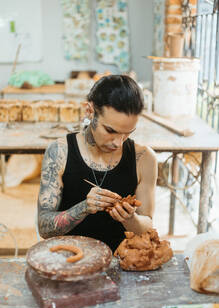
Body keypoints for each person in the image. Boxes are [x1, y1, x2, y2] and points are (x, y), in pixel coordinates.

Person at [38, 75, 157, 252]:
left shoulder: (144, 157)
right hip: (68, 258)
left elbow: (147, 227)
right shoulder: (59, 152)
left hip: (120, 260)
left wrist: (130, 219)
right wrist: (83, 208)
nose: (118, 143)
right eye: (110, 130)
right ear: (90, 111)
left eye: (127, 133)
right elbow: (44, 228)